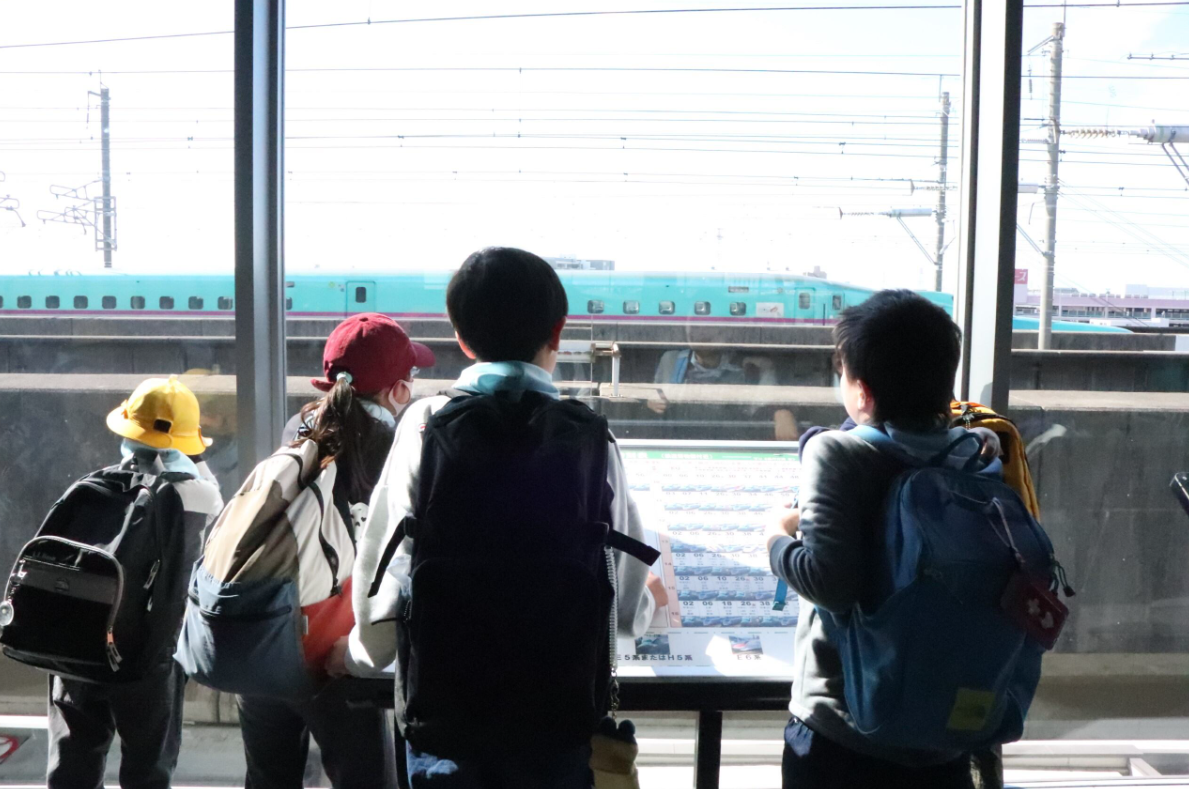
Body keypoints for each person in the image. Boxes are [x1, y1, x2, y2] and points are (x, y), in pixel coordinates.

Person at [336, 247, 665, 789]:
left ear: (461, 337)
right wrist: (647, 601)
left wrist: (362, 658)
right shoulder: (592, 436)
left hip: (447, 722)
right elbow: (626, 611)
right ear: (558, 331)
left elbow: (384, 571)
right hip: (556, 724)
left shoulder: (425, 424)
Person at [765, 290, 979, 789]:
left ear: (861, 391)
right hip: (943, 728)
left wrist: (775, 536)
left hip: (845, 732)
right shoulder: (975, 453)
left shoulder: (837, 453)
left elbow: (831, 584)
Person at [235, 312, 433, 789]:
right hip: (335, 651)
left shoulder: (299, 428)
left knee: (268, 778)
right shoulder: (397, 447)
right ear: (398, 391)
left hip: (262, 636)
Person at [48, 376, 224, 789]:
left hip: (76, 647)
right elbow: (213, 498)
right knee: (148, 769)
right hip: (148, 657)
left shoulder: (92, 487)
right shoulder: (197, 498)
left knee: (72, 763)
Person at [651, 325, 799, 440]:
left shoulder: (752, 366)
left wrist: (781, 412)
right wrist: (651, 402)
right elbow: (652, 395)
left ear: (727, 332)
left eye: (709, 327)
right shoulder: (670, 360)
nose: (701, 333)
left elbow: (768, 405)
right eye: (695, 326)